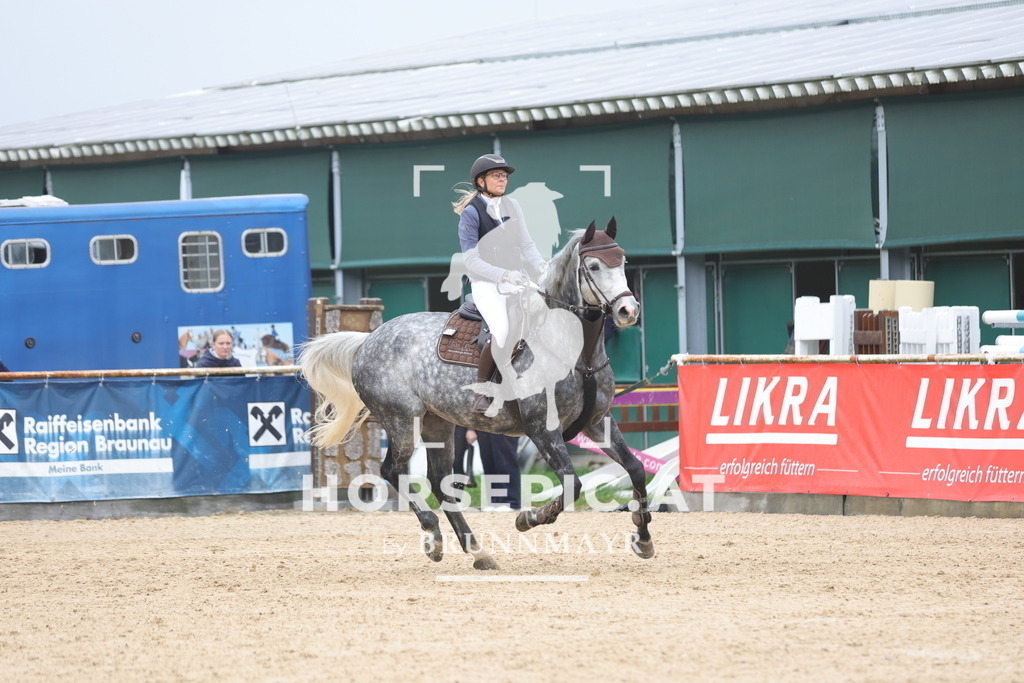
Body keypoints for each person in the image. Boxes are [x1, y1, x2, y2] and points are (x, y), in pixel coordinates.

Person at [452, 153, 548, 414]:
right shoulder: (471, 213)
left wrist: (541, 267)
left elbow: (527, 244)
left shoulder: (513, 206)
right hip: (486, 284)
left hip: (518, 279)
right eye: (496, 175)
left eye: (504, 176)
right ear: (480, 181)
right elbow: (471, 261)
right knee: (502, 330)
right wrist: (503, 275)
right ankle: (481, 393)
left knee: (547, 313)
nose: (502, 179)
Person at [454, 426, 521, 510]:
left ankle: (510, 501)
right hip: (484, 424)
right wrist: (471, 428)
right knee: (488, 461)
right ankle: (495, 501)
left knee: (504, 460)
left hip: (504, 423)